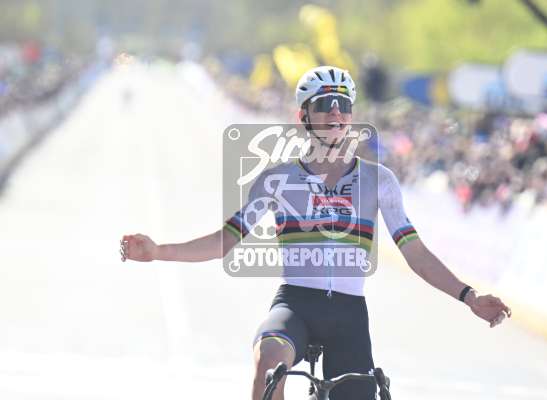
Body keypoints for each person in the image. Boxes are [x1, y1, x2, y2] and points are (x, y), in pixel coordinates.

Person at [120, 65, 512, 400]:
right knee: (268, 366)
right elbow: (225, 241)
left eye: (343, 104)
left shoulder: (379, 181)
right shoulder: (276, 179)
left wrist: (469, 296)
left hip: (349, 315)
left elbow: (417, 254)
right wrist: (158, 251)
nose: (335, 111)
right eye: (324, 104)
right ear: (304, 116)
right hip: (295, 306)